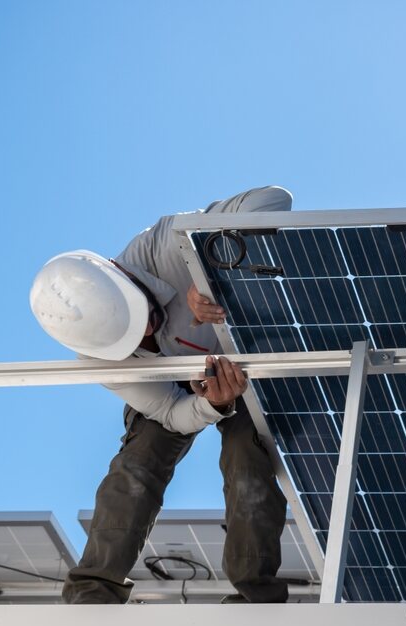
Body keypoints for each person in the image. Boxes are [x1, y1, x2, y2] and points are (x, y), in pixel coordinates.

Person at [30, 186, 293, 603]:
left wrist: (214, 273)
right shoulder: (97, 355)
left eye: (146, 316)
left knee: (247, 455)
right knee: (138, 461)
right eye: (134, 337)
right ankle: (94, 592)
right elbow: (170, 412)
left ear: (123, 276)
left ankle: (255, 594)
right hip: (181, 392)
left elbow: (276, 199)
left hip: (247, 369)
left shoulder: (166, 246)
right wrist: (211, 404)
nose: (150, 332)